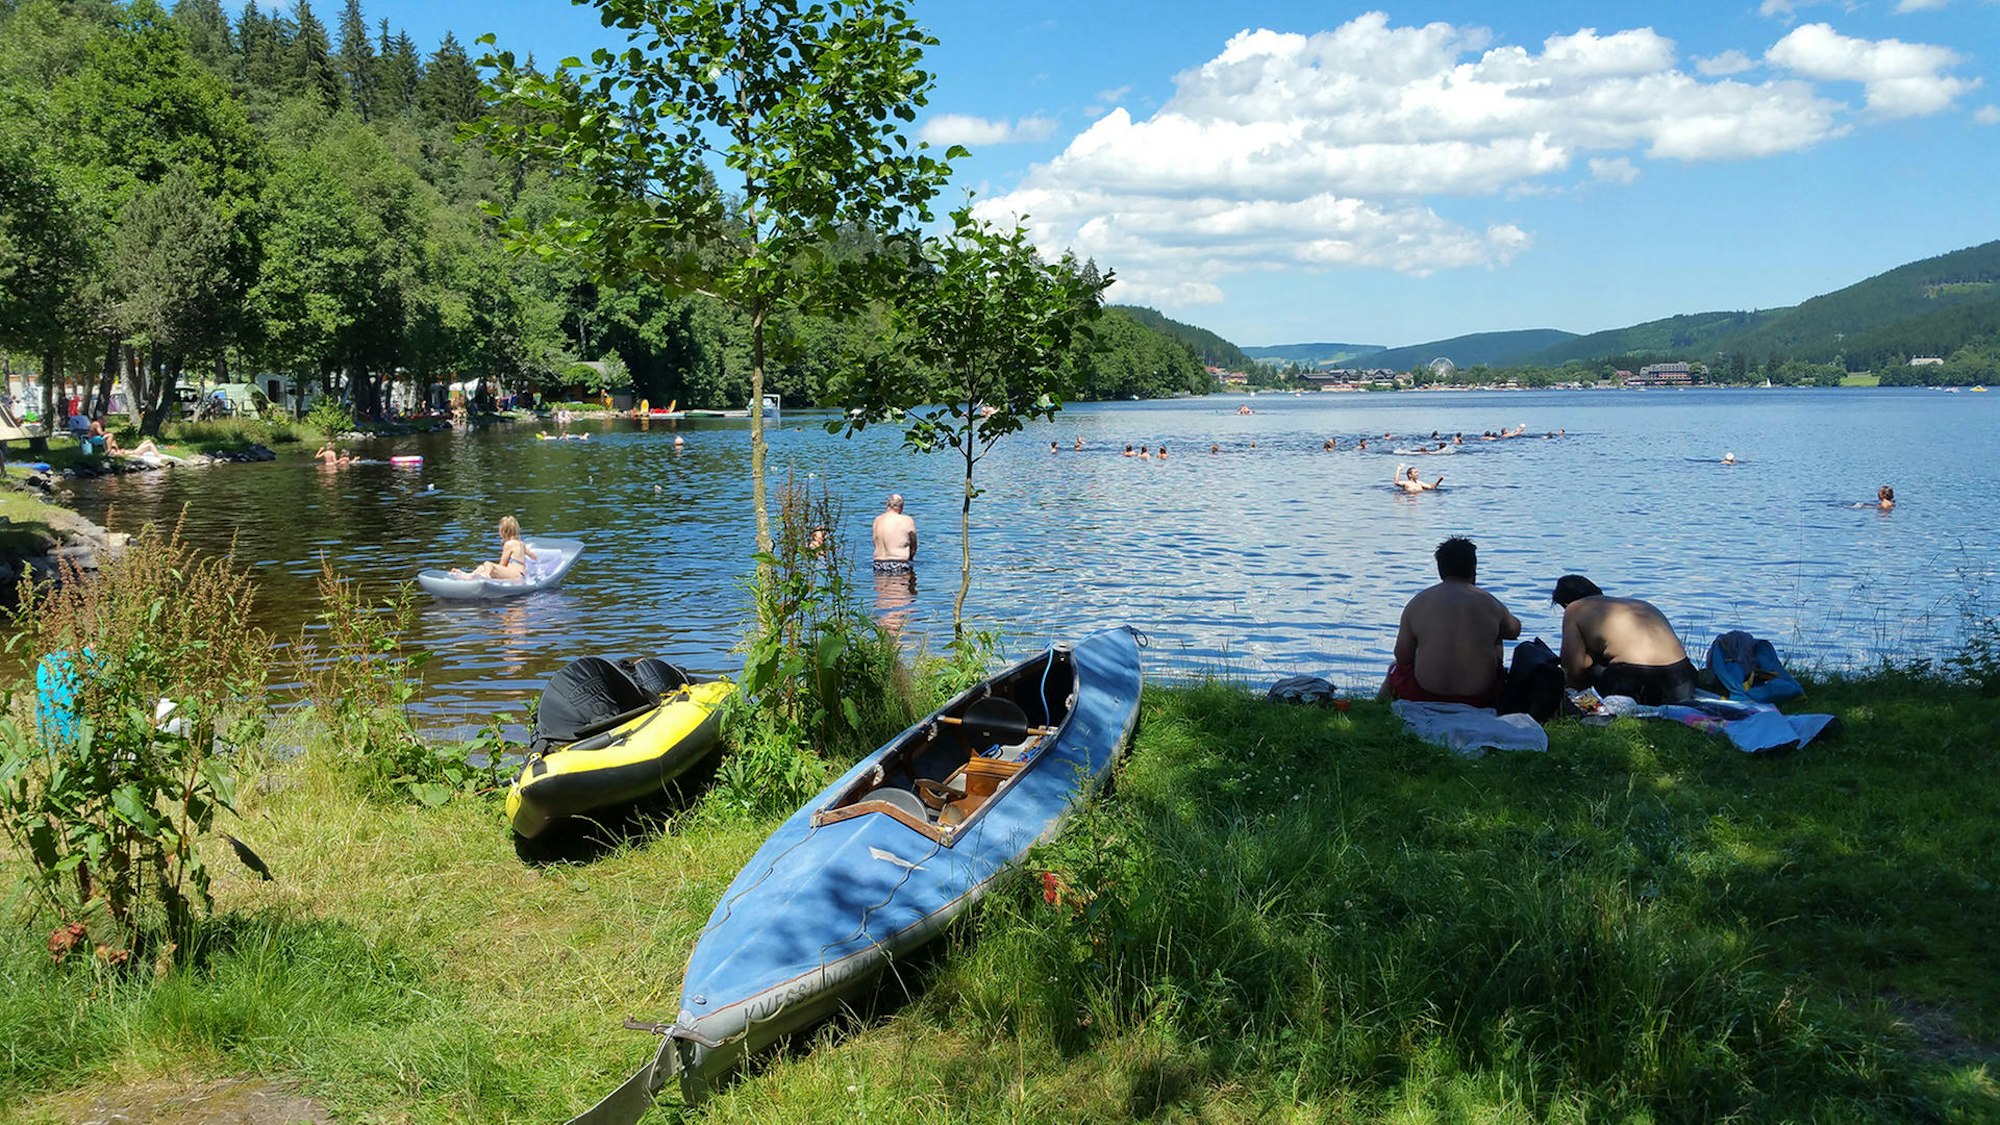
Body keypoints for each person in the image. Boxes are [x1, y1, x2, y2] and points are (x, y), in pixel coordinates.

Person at [1378, 537, 1521, 707]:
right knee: (1497, 637)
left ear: (1440, 570)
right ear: (1473, 569)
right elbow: (1514, 631)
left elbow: (1402, 657)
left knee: (1395, 668)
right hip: (1481, 697)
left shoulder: (1418, 603)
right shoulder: (1489, 602)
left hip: (1424, 694)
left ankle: (1377, 707)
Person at [1551, 575, 1697, 704]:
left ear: (1565, 604)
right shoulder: (1638, 604)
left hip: (1637, 681)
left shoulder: (1574, 608)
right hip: (1683, 680)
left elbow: (1573, 670)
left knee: (1590, 668)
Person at [450, 516, 536, 582]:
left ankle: (485, 578)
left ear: (503, 532)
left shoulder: (508, 544)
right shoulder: (521, 544)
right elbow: (534, 557)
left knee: (488, 564)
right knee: (482, 567)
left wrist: (493, 571)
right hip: (520, 575)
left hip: (516, 576)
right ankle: (469, 576)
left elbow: (502, 564)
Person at [871, 493, 916, 576]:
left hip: (878, 564)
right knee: (902, 588)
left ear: (887, 505)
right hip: (899, 563)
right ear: (902, 507)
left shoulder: (877, 520)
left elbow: (875, 543)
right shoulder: (907, 520)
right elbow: (913, 547)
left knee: (882, 588)